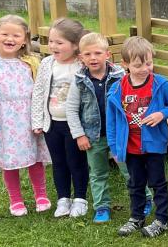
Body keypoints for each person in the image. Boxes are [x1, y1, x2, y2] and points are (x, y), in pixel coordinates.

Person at [0, 15, 49, 218]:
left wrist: (41, 117)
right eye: (5, 34)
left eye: (16, 35)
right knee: (10, 160)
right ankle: (15, 199)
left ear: (24, 39)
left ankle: (41, 195)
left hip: (28, 118)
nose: (10, 39)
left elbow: (41, 90)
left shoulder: (32, 62)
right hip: (3, 121)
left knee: (35, 158)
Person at [107, 36, 168, 237]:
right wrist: (114, 148)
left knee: (158, 183)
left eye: (149, 63)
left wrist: (161, 114)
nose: (145, 68)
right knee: (135, 183)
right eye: (138, 65)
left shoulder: (160, 84)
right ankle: (136, 217)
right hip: (130, 147)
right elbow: (111, 122)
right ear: (125, 64)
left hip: (154, 145)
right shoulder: (117, 88)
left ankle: (161, 219)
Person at [65, 33, 133, 224]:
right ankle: (102, 207)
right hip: (93, 136)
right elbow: (71, 109)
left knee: (129, 169)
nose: (93, 58)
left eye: (97, 53)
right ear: (81, 57)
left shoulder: (121, 76)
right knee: (97, 173)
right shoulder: (79, 80)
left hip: (119, 134)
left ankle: (142, 199)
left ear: (107, 54)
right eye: (87, 54)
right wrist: (79, 135)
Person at [29, 18, 88, 218]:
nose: (53, 46)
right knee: (59, 162)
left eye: (59, 42)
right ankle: (63, 198)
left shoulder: (82, 65)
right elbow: (38, 92)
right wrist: (37, 121)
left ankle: (80, 198)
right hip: (52, 123)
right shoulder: (47, 63)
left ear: (75, 45)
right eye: (51, 41)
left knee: (76, 162)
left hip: (75, 125)